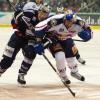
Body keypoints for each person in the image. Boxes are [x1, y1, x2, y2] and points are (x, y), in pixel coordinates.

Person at [35, 10, 93, 84]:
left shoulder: (80, 23)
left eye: (71, 22)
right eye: (67, 21)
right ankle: (63, 76)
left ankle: (74, 72)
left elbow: (90, 32)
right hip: (53, 38)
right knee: (60, 57)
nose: (68, 23)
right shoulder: (56, 21)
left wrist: (88, 36)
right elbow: (38, 27)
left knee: (71, 56)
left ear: (74, 21)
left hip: (67, 38)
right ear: (64, 19)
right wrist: (38, 42)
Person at [0, 1, 50, 85]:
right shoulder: (28, 14)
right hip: (17, 36)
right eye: (42, 13)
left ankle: (22, 74)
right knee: (7, 60)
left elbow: (47, 36)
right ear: (38, 11)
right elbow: (14, 25)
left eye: (45, 14)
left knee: (31, 54)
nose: (42, 16)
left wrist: (42, 45)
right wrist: (16, 18)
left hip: (30, 40)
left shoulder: (46, 23)